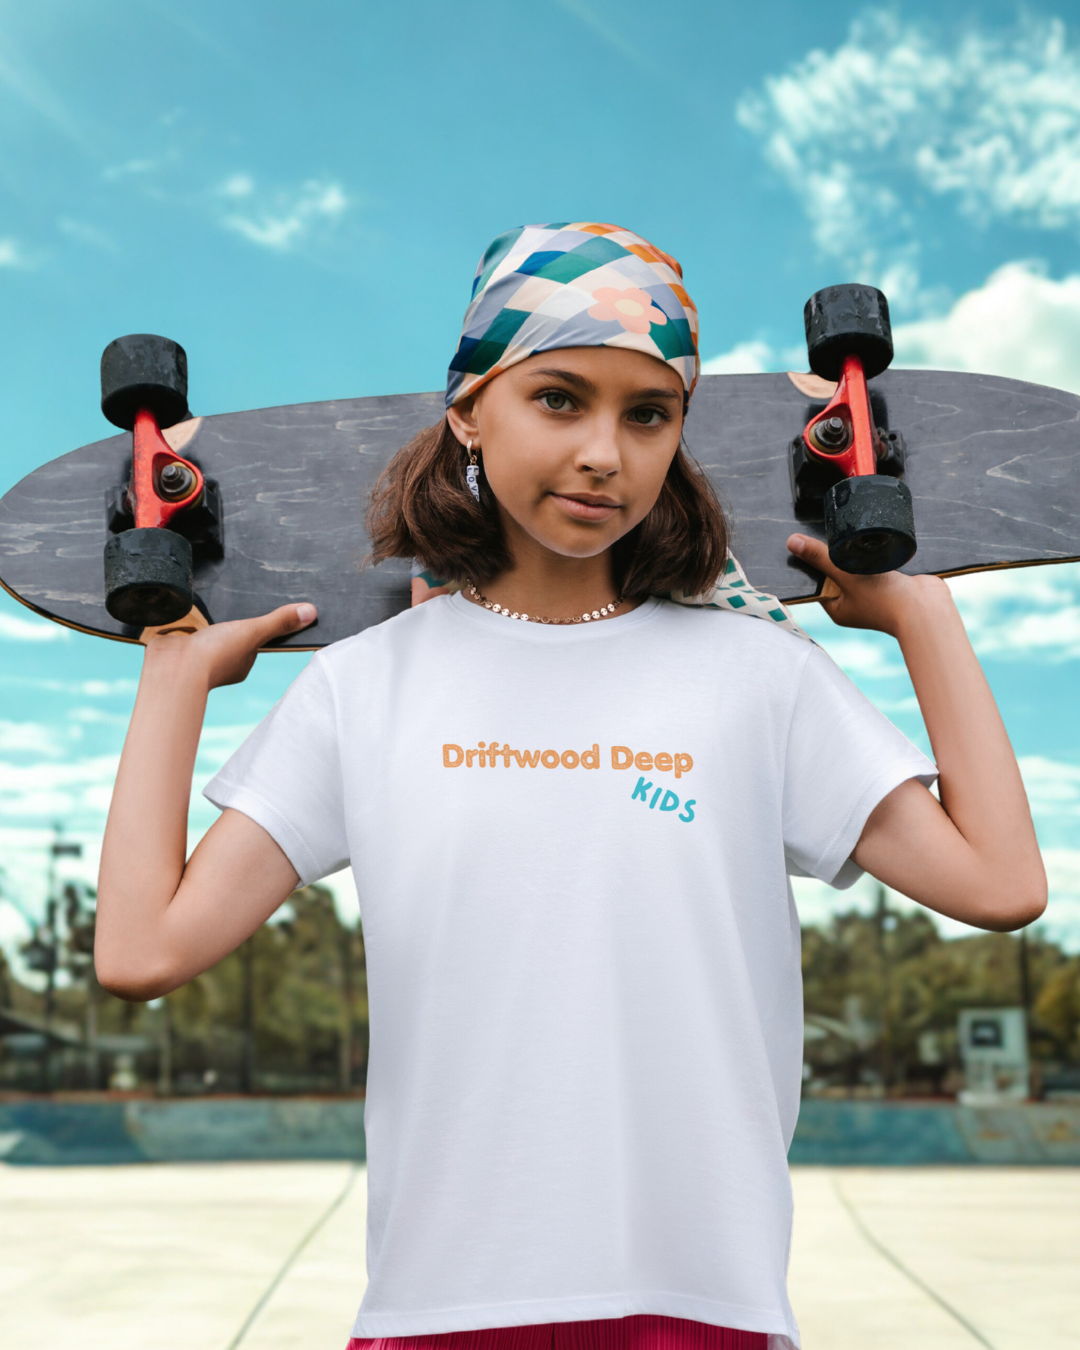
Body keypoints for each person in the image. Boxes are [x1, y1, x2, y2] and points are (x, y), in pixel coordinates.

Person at [96, 222, 1046, 1350]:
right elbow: (141, 950)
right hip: (440, 1305)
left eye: (647, 414)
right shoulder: (367, 690)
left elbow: (1000, 880)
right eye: (558, 399)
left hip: (704, 1303)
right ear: (467, 412)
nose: (606, 451)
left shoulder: (756, 674)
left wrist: (922, 618)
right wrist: (174, 676)